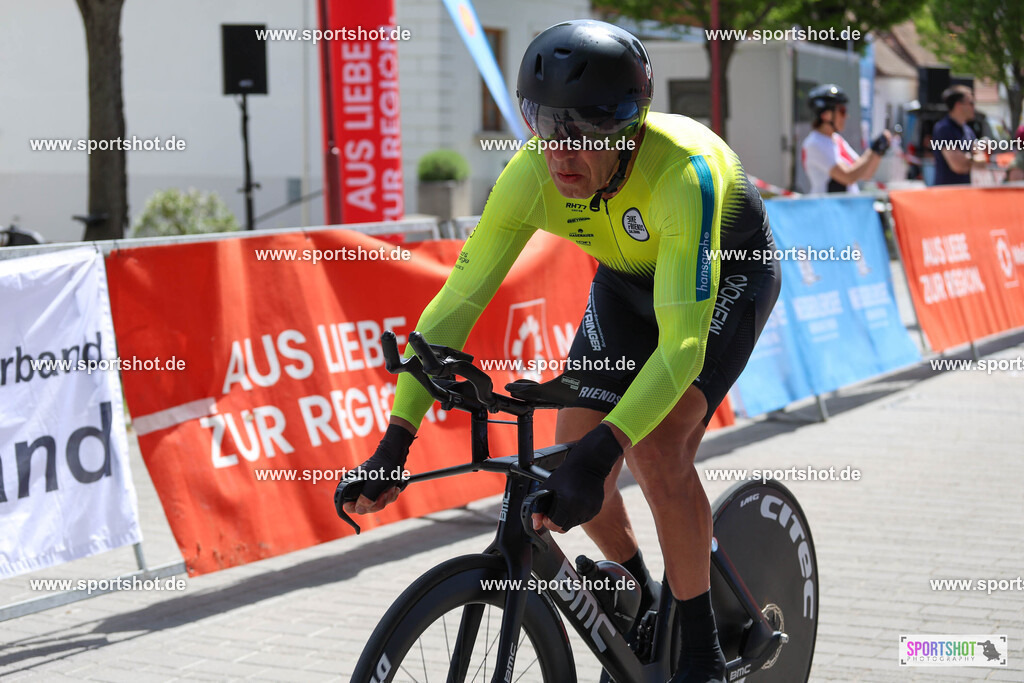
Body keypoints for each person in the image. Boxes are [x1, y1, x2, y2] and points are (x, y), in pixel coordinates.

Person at [343, 19, 781, 682]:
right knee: (570, 441)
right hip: (626, 285)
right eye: (545, 126)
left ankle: (701, 652)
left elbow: (683, 347)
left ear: (628, 129)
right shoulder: (529, 175)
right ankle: (639, 593)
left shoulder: (679, 174)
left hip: (727, 276)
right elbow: (456, 305)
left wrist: (607, 450)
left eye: (583, 131)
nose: (561, 152)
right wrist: (393, 443)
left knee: (656, 447)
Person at [801, 83, 891, 194]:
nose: (846, 116)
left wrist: (879, 151)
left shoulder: (836, 139)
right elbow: (848, 177)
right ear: (826, 115)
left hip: (844, 204)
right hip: (828, 205)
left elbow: (865, 173)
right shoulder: (815, 143)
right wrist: (873, 150)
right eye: (842, 111)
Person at [931, 85, 987, 185]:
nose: (974, 107)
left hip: (965, 190)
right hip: (946, 191)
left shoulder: (968, 130)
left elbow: (982, 160)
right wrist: (973, 158)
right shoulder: (944, 128)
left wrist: (967, 158)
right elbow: (958, 166)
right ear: (958, 105)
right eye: (971, 103)